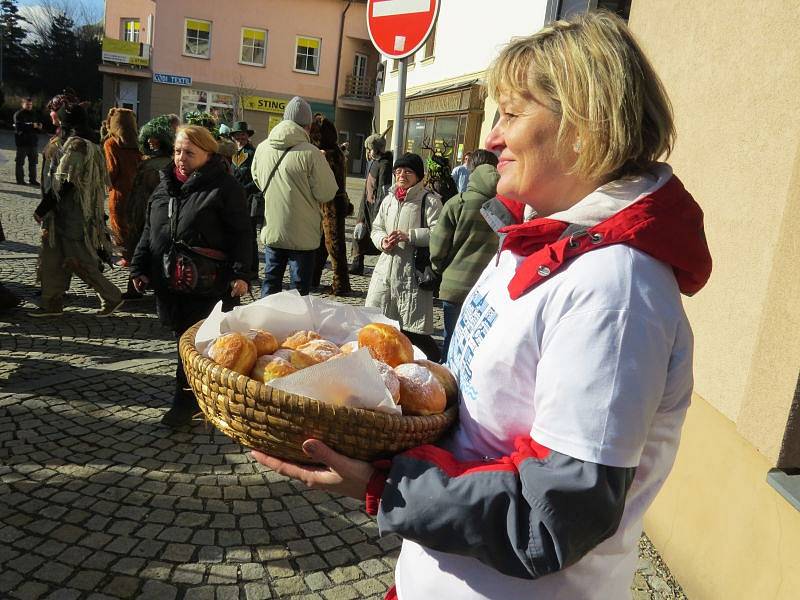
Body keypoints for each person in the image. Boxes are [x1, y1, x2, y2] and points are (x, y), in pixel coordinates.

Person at [251, 11, 713, 600]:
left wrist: (384, 482)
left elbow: (552, 520)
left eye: (511, 115)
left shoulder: (615, 290)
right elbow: (476, 414)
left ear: (585, 126)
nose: (489, 138)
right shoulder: (537, 241)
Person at [130, 125, 254, 427]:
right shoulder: (165, 184)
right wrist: (140, 266)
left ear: (207, 153)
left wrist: (243, 273)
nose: (180, 158)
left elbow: (242, 233)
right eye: (176, 151)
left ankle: (184, 404)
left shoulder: (224, 187)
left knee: (194, 345)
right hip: (170, 280)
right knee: (184, 341)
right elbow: (151, 229)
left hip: (207, 283)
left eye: (189, 152)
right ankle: (200, 397)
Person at [28, 102, 124, 318]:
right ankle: (51, 301)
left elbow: (66, 182)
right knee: (53, 258)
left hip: (73, 216)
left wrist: (43, 208)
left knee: (81, 260)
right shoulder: (77, 142)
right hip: (59, 216)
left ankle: (112, 297)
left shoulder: (78, 145)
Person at [251, 96, 338, 297]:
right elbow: (326, 192)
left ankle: (266, 324)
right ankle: (294, 327)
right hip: (303, 235)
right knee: (298, 292)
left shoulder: (263, 147)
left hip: (273, 229)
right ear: (307, 125)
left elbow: (257, 178)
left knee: (270, 284)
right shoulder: (311, 153)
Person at [364, 152, 443, 361]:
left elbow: (440, 233)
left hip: (412, 272)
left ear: (418, 176)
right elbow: (376, 228)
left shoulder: (430, 201)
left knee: (412, 329)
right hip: (386, 269)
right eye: (398, 171)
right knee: (380, 322)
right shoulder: (389, 199)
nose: (402, 175)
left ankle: (434, 363)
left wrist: (411, 236)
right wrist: (382, 241)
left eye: (408, 171)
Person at [430, 149, 500, 362]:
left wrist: (437, 268)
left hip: (455, 286)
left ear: (471, 171)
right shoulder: (505, 206)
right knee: (476, 344)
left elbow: (438, 246)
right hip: (488, 288)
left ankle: (447, 385)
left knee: (451, 338)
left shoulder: (457, 203)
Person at [120, 115, 175, 300]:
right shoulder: (153, 162)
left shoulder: (161, 165)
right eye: (149, 139)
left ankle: (139, 287)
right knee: (142, 248)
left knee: (146, 248)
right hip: (144, 211)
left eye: (155, 139)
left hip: (150, 212)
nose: (151, 142)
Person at [309, 116, 352, 296]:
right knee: (322, 243)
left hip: (330, 203)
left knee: (334, 244)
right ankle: (314, 277)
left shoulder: (327, 155)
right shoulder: (336, 151)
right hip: (336, 200)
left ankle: (341, 284)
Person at [103, 108, 143, 265]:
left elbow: (112, 169)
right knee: (134, 223)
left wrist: (107, 184)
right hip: (137, 190)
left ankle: (126, 257)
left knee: (119, 224)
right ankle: (136, 254)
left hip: (120, 191)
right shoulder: (138, 143)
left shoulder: (112, 143)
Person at [349, 134, 393, 275]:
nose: (368, 153)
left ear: (377, 149)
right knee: (359, 234)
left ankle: (382, 268)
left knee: (377, 237)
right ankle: (357, 263)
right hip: (366, 205)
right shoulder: (375, 162)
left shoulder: (385, 164)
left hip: (375, 207)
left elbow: (383, 190)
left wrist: (377, 214)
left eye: (370, 149)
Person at [229, 121, 262, 273]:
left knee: (249, 236)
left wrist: (242, 189)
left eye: (243, 134)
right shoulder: (232, 153)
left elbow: (257, 178)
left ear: (247, 136)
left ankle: (253, 268)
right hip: (234, 200)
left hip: (248, 198)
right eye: (237, 135)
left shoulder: (253, 153)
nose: (240, 137)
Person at [14, 97, 42, 186]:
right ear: (23, 104)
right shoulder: (18, 114)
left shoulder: (34, 114)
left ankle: (33, 180)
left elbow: (36, 126)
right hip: (22, 143)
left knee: (33, 163)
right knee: (20, 163)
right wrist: (31, 125)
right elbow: (19, 127)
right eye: (27, 104)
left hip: (33, 142)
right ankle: (20, 180)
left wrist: (39, 127)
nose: (29, 106)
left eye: (30, 104)